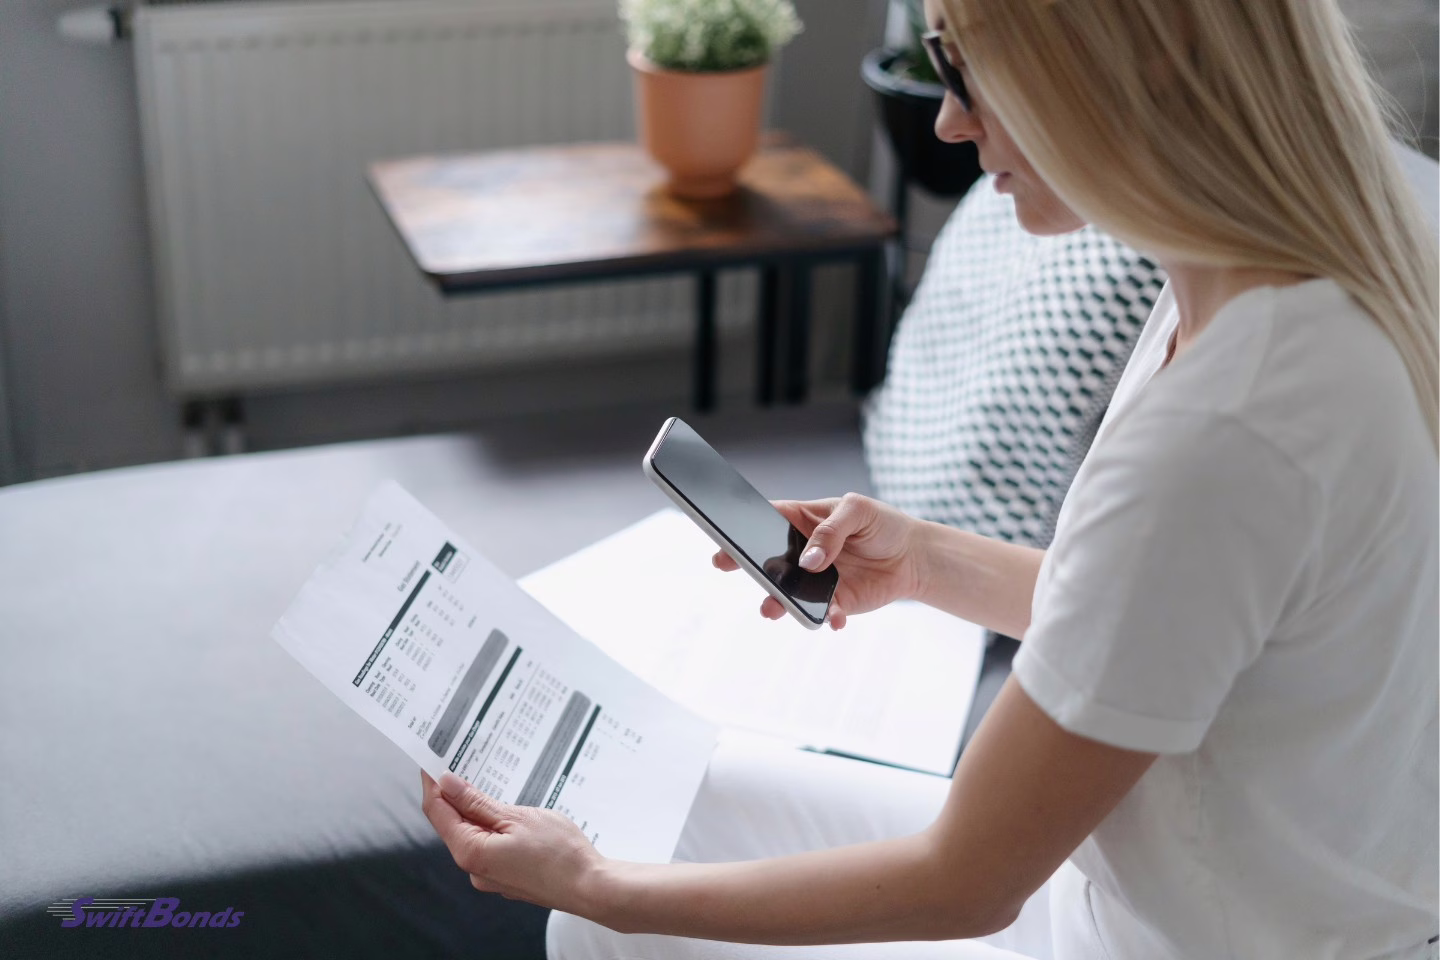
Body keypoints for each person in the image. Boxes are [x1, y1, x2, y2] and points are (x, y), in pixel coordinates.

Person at [419, 0, 1440, 956]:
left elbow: (966, 882)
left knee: (606, 919)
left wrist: (589, 881)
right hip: (1111, 902)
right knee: (671, 810)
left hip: (1144, 939)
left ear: (1132, 54)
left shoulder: (1232, 422)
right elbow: (1172, 616)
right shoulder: (1262, 289)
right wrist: (927, 562)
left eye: (962, 67)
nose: (949, 123)